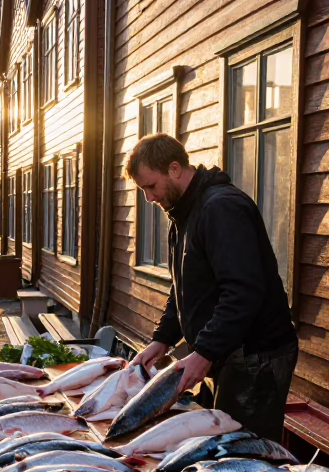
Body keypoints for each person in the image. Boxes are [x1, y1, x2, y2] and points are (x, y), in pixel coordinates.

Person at [127, 133, 298, 440]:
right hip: (225, 352)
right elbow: (185, 287)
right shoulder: (183, 213)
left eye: (150, 186)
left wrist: (204, 351)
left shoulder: (221, 209)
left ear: (175, 169)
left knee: (241, 452)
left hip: (256, 359)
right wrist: (163, 339)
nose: (148, 198)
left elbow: (243, 291)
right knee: (216, 446)